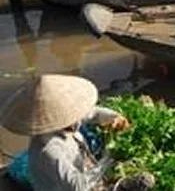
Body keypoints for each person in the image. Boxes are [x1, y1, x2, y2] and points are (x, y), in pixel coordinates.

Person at [0, 74, 131, 191]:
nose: (78, 115)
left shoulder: (69, 119)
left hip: (83, 171)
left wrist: (114, 117)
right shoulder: (49, 151)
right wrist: (109, 158)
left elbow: (93, 113)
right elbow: (78, 186)